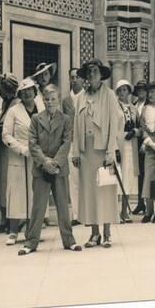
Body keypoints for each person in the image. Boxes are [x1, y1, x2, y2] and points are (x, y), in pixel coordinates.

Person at [18, 85, 82, 255]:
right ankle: (31, 242)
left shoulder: (66, 119)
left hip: (59, 168)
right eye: (47, 99)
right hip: (41, 168)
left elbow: (66, 142)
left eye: (53, 99)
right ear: (43, 100)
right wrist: (44, 162)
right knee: (38, 206)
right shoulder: (36, 119)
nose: (50, 102)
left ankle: (69, 241)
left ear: (58, 100)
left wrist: (55, 163)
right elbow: (33, 143)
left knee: (62, 205)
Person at [72, 59, 120, 248]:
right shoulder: (81, 97)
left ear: (101, 74)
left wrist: (111, 151)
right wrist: (75, 151)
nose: (92, 74)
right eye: (89, 71)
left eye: (95, 71)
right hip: (86, 150)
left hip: (103, 150)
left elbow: (113, 125)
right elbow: (76, 126)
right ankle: (94, 233)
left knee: (105, 190)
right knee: (89, 192)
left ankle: (107, 233)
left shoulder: (109, 95)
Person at [3, 78, 45, 245]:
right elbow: (5, 135)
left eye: (30, 90)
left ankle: (32, 229)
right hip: (19, 158)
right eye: (24, 92)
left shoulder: (42, 108)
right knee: (16, 194)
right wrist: (21, 149)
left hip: (38, 157)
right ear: (20, 94)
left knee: (35, 194)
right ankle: (13, 231)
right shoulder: (14, 111)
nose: (28, 94)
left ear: (35, 92)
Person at [0, 73, 20, 233]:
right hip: (3, 150)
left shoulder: (15, 104)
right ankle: (5, 218)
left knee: (8, 185)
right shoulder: (6, 103)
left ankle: (9, 219)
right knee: (3, 185)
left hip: (9, 150)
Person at [62, 68, 85, 225]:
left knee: (88, 178)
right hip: (71, 143)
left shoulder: (88, 96)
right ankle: (76, 214)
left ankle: (89, 212)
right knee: (74, 179)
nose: (74, 79)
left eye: (77, 77)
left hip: (86, 142)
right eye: (72, 77)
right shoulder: (66, 101)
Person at [114, 79, 139, 223]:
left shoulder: (133, 109)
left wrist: (135, 131)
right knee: (117, 177)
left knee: (128, 178)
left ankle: (124, 211)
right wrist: (114, 148)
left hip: (131, 145)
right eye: (121, 90)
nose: (123, 92)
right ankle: (114, 211)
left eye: (126, 90)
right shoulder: (114, 108)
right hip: (118, 144)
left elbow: (138, 127)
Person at [139, 81, 155, 223]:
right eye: (149, 92)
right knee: (149, 178)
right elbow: (142, 128)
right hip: (149, 145)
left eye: (153, 92)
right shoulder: (145, 109)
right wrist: (148, 141)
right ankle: (148, 211)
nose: (150, 95)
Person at [131, 79, 148, 215]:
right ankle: (140, 203)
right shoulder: (134, 105)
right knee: (139, 173)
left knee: (147, 173)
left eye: (143, 89)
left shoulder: (150, 105)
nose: (141, 92)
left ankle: (150, 204)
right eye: (139, 90)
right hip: (135, 143)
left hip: (146, 142)